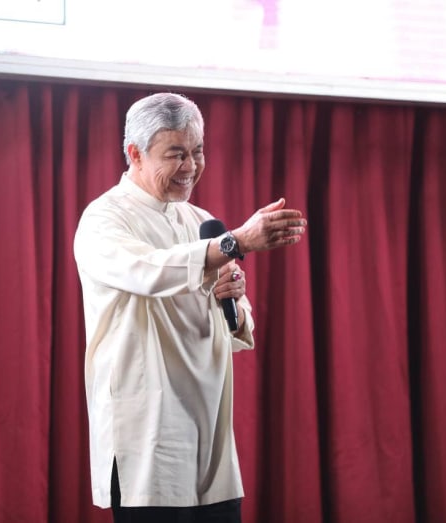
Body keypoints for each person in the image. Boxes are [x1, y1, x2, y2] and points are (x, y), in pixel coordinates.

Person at [73, 92, 306, 523]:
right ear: (135, 154)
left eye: (197, 151)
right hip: (149, 439)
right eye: (176, 154)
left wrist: (233, 298)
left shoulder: (200, 221)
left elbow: (235, 322)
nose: (191, 166)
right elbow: (148, 271)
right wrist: (235, 242)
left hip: (211, 434)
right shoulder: (104, 219)